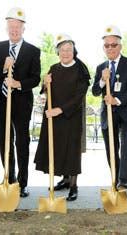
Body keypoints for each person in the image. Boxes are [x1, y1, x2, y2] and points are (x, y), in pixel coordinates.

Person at [0, 7, 41, 198]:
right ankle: (9, 178)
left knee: (22, 140)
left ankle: (22, 183)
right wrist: (4, 68)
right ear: (6, 28)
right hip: (1, 101)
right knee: (5, 139)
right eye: (11, 27)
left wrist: (18, 83)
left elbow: (35, 78)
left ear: (23, 29)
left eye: (17, 27)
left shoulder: (33, 50)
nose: (14, 30)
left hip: (22, 102)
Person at [34, 34, 90, 201]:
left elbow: (79, 97)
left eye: (69, 50)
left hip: (71, 116)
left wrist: (60, 110)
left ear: (74, 51)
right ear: (58, 52)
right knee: (58, 148)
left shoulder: (81, 69)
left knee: (72, 151)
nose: (65, 53)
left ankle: (73, 185)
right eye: (62, 50)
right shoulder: (54, 68)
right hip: (53, 116)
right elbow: (45, 91)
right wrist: (45, 83)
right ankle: (65, 180)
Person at [92, 25, 127, 190]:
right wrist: (102, 80)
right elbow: (95, 91)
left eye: (114, 45)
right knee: (111, 147)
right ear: (103, 47)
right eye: (107, 45)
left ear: (120, 46)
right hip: (108, 114)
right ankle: (116, 177)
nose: (110, 48)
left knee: (126, 144)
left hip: (126, 111)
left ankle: (124, 181)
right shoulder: (101, 68)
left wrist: (117, 100)